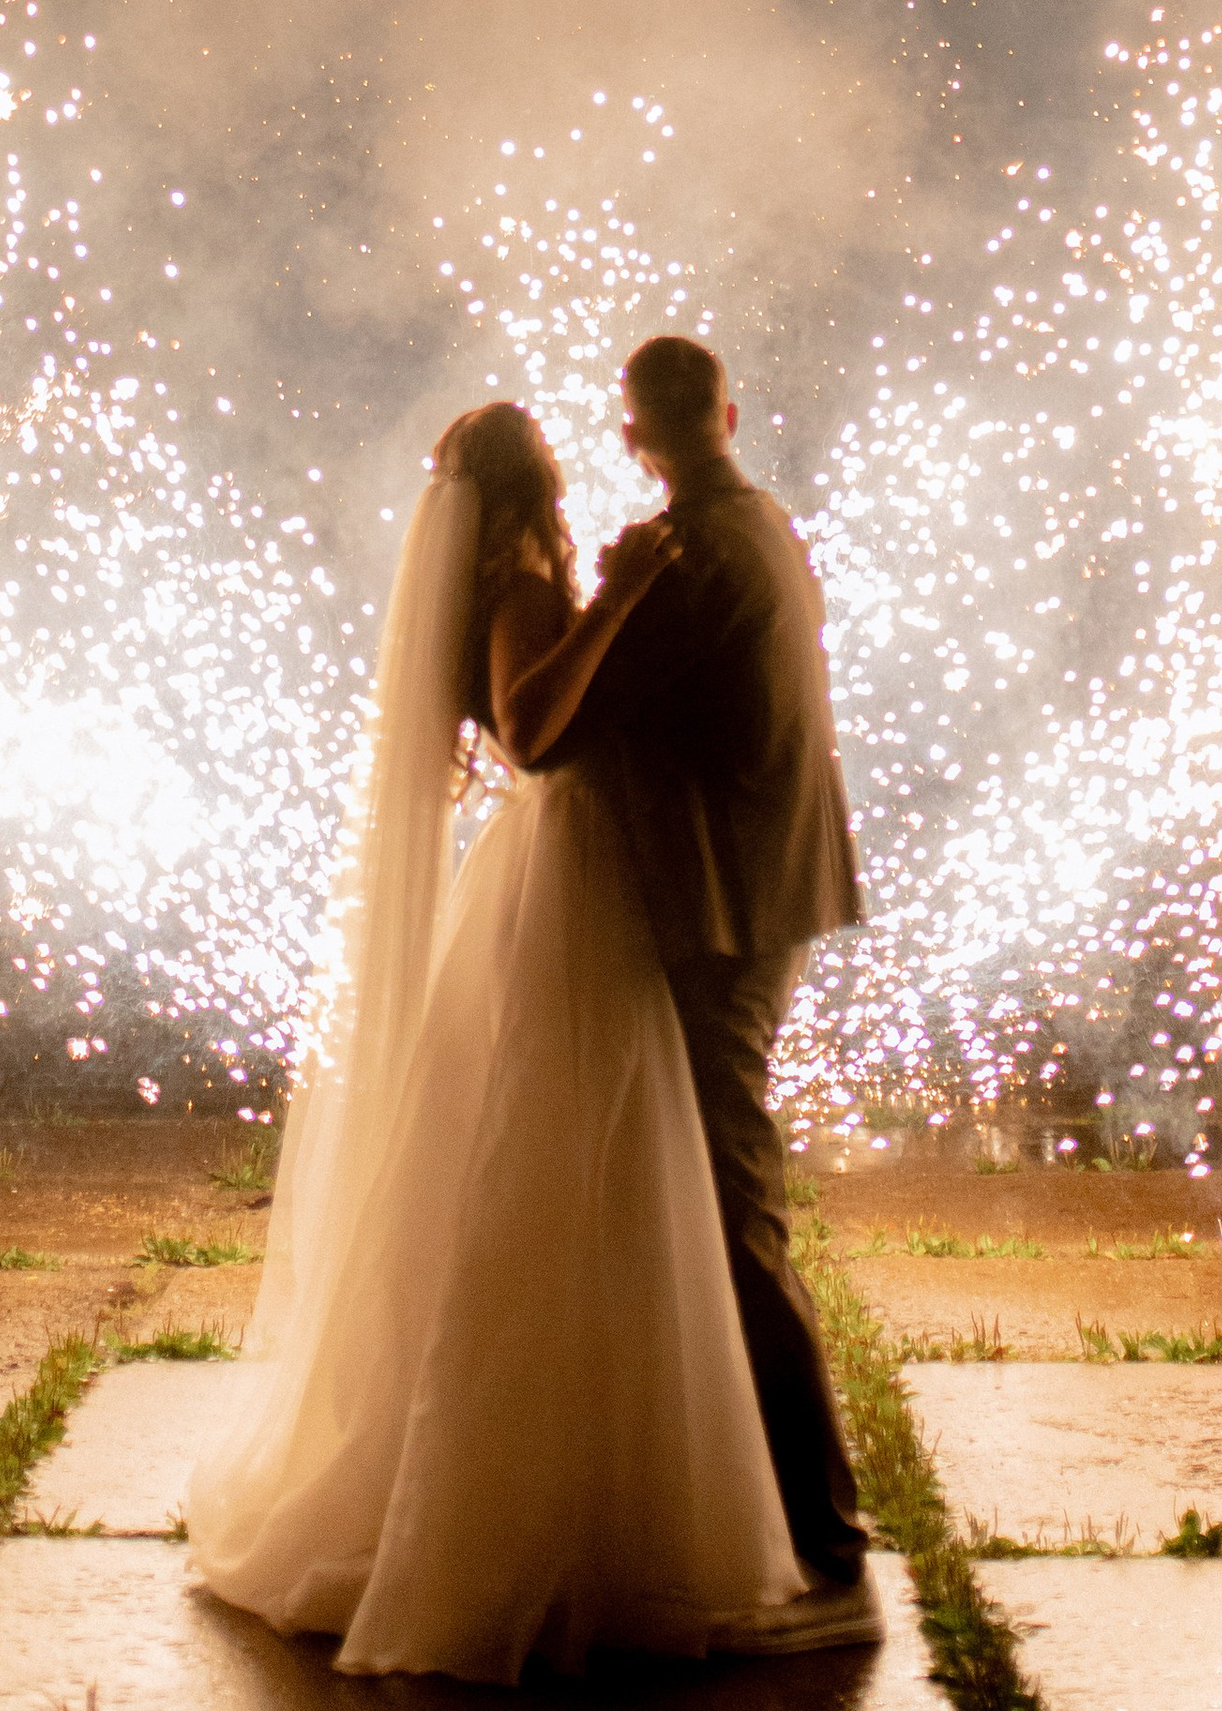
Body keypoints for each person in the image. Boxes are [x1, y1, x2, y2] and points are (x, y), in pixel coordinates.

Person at [184, 397, 854, 1682]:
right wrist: (619, 601)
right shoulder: (523, 588)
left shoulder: (538, 571)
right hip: (568, 882)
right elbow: (537, 732)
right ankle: (560, 1503)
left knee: (593, 1168)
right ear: (518, 488)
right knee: (554, 1157)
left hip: (577, 875)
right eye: (545, 451)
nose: (573, 454)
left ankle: (628, 1468)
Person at [559, 332, 870, 1600]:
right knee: (718, 1181)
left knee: (738, 1204)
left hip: (727, 906)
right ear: (729, 412)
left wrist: (600, 598)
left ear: (633, 435)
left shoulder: (686, 558)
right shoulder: (767, 524)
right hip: (771, 888)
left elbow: (565, 720)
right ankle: (746, 1473)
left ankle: (817, 1512)